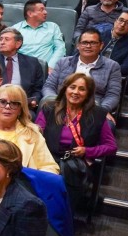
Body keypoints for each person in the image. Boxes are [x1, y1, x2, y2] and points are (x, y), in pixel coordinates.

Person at [36, 73, 117, 212]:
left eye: (81, 89)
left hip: (75, 163)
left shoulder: (98, 114)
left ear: (88, 93)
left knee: (64, 179)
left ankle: (62, 220)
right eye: (72, 87)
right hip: (47, 158)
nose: (75, 92)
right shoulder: (49, 108)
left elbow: (111, 146)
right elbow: (36, 135)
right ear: (65, 89)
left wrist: (88, 151)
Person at [43, 28, 122, 118]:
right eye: (84, 42)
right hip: (61, 106)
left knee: (109, 125)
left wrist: (102, 110)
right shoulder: (63, 62)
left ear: (101, 46)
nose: (88, 46)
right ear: (78, 45)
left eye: (93, 43)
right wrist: (56, 103)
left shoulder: (112, 66)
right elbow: (48, 86)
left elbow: (113, 95)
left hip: (93, 109)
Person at [0, 28, 45, 109]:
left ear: (18, 43)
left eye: (7, 39)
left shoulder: (32, 63)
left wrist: (35, 100)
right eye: (1, 39)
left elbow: (38, 88)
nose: (2, 42)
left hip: (21, 106)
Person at [12, 0, 65, 70]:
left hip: (47, 69)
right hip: (22, 69)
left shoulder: (53, 27)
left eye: (45, 9)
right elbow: (11, 51)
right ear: (30, 13)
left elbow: (60, 48)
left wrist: (51, 67)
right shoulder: (15, 29)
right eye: (41, 10)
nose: (45, 12)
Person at [105, 11, 128, 76]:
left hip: (111, 77)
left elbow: (125, 69)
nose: (122, 24)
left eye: (127, 23)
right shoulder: (99, 35)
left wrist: (103, 71)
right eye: (121, 20)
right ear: (115, 21)